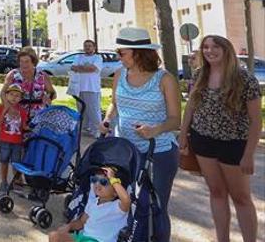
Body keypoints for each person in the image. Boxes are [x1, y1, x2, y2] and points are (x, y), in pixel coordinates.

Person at [99, 27, 180, 242]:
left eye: (121, 53)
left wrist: (155, 130)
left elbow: (175, 119)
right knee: (128, 202)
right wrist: (107, 120)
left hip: (159, 152)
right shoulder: (119, 75)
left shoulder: (165, 79)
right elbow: (114, 105)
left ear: (137, 52)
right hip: (127, 153)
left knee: (156, 205)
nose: (118, 57)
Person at [179, 35, 261, 242]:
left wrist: (248, 155)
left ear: (226, 50)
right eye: (205, 47)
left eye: (215, 47)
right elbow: (190, 106)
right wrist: (183, 134)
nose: (209, 51)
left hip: (234, 144)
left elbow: (256, 121)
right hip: (203, 142)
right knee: (216, 192)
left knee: (241, 198)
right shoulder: (199, 75)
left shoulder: (244, 79)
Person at [49, 166, 131, 242]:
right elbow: (81, 222)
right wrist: (69, 226)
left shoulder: (118, 207)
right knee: (54, 236)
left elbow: (126, 200)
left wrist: (112, 179)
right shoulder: (93, 202)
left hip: (99, 240)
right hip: (83, 237)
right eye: (94, 180)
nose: (97, 184)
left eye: (104, 182)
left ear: (115, 192)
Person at [0, 47, 55, 121]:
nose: (23, 64)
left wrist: (48, 97)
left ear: (33, 62)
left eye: (27, 61)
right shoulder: (12, 75)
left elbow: (53, 93)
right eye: (21, 61)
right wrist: (8, 107)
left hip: (38, 116)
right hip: (17, 114)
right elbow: (3, 92)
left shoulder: (43, 76)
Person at [0, 83, 28, 193]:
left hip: (17, 142)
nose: (14, 97)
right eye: (12, 94)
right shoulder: (1, 108)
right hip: (5, 141)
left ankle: (16, 181)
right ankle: (3, 181)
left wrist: (32, 128)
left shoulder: (22, 111)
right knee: (4, 161)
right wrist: (5, 110)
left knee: (16, 163)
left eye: (17, 95)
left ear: (20, 98)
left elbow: (24, 126)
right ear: (6, 95)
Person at [70, 40, 104, 137]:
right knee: (81, 109)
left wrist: (81, 68)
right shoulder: (78, 57)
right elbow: (73, 68)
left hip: (92, 88)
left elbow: (93, 68)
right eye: (85, 46)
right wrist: (86, 67)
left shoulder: (98, 58)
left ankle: (97, 130)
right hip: (79, 88)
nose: (87, 48)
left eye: (90, 46)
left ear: (94, 47)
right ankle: (84, 128)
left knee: (93, 110)